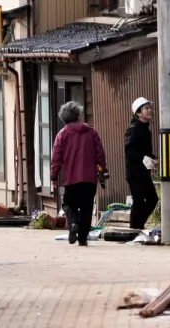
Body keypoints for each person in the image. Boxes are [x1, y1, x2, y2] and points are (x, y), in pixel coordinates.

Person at [50, 102, 106, 246]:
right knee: (87, 207)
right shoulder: (92, 132)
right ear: (78, 116)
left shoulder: (62, 134)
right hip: (89, 178)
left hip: (71, 178)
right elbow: (100, 154)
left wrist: (54, 176)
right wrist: (102, 169)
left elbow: (56, 158)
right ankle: (82, 239)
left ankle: (73, 222)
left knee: (68, 203)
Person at [124, 96, 159, 230]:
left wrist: (153, 158)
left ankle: (138, 226)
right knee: (138, 202)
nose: (150, 110)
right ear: (138, 113)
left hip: (143, 172)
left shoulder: (144, 129)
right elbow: (130, 151)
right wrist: (145, 158)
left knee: (152, 199)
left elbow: (144, 150)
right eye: (146, 108)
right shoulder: (134, 129)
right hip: (135, 172)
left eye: (150, 108)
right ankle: (134, 228)